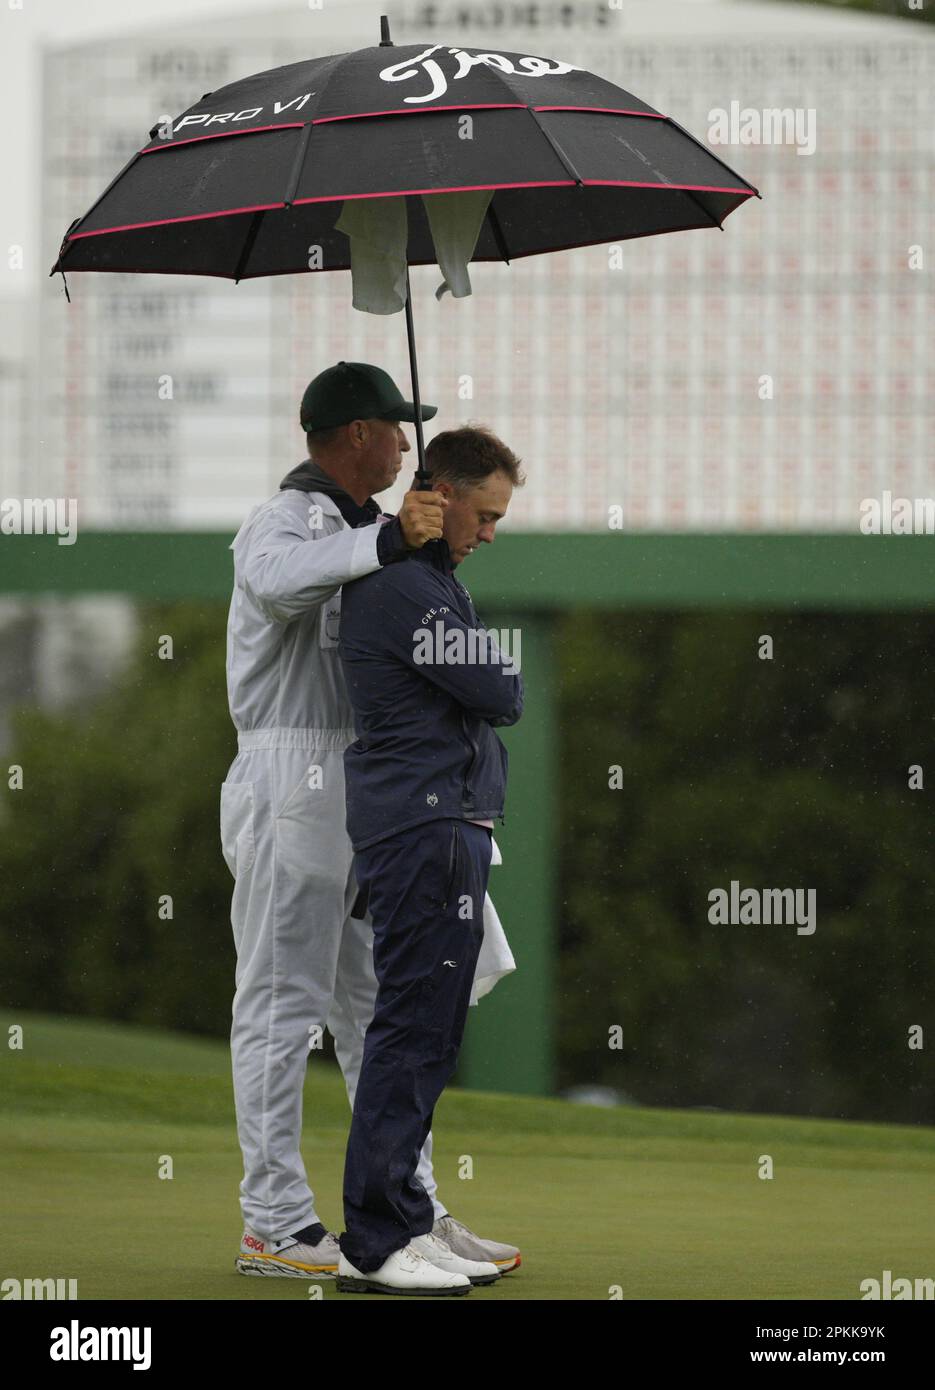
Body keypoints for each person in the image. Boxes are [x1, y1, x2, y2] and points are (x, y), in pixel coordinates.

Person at [221, 361, 520, 1280]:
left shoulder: (376, 530)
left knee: (379, 1011)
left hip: (371, 785)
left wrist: (404, 545)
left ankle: (406, 1209)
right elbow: (275, 584)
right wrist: (391, 544)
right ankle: (273, 1219)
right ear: (356, 434)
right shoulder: (284, 519)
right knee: (282, 1003)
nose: (406, 444)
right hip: (289, 771)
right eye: (397, 428)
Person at [335, 425, 525, 1296]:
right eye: (482, 515)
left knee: (425, 1035)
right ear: (439, 493)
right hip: (423, 826)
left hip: (440, 825)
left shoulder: (432, 585)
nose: (488, 534)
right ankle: (377, 1242)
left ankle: (406, 1222)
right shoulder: (407, 589)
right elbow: (502, 692)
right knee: (409, 1034)